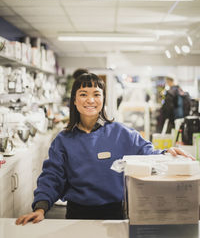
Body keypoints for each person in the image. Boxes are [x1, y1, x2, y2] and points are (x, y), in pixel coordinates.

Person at [16, 73, 194, 225]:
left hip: (115, 214)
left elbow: (147, 153)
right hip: (77, 215)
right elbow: (52, 176)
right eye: (83, 94)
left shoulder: (121, 133)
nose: (90, 100)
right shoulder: (63, 140)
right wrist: (41, 208)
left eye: (96, 94)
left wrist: (166, 154)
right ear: (75, 101)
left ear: (103, 99)